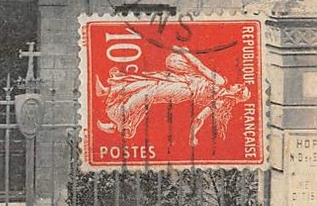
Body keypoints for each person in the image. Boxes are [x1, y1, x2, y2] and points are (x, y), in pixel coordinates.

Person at [95, 45, 251, 147]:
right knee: (146, 83)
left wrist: (184, 52)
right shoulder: (221, 103)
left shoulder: (221, 81)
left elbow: (200, 67)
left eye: (240, 87)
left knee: (146, 94)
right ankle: (109, 93)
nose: (238, 84)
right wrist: (192, 135)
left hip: (183, 88)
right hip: (182, 83)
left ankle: (116, 120)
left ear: (237, 92)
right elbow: (199, 118)